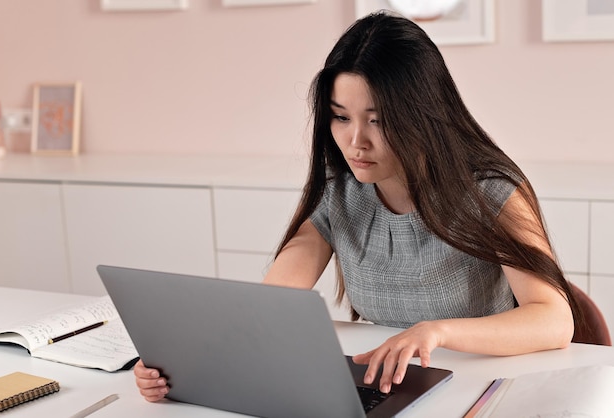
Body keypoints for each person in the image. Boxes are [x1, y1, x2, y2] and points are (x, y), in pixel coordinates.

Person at [134, 11, 581, 401]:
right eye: (341, 117)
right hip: (390, 386)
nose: (355, 141)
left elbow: (554, 320)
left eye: (377, 120)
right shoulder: (340, 194)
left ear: (421, 112)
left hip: (488, 389)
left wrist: (437, 330)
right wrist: (183, 364)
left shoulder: (492, 192)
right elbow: (267, 309)